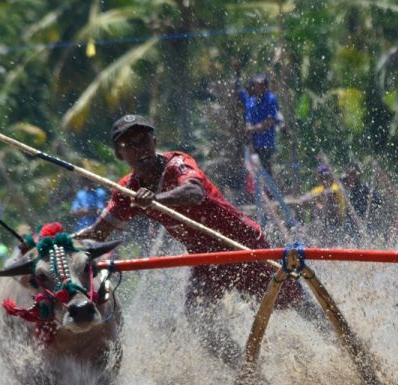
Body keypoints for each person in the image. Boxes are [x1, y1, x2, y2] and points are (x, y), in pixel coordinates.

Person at [75, 114, 312, 368]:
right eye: (129, 145)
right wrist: (68, 239)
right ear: (119, 155)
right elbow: (99, 233)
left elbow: (194, 192)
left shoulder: (178, 163)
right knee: (200, 321)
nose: (139, 149)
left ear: (154, 141)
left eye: (143, 140)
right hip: (206, 260)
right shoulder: (127, 189)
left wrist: (155, 199)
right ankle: (250, 375)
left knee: (293, 302)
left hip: (242, 246)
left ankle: (346, 342)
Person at [244, 74, 280, 178]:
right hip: (254, 143)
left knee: (266, 169)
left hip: (266, 141)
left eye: (259, 86)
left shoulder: (271, 99)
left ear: (265, 86)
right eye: (255, 85)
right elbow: (249, 121)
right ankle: (261, 192)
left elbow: (269, 121)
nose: (256, 88)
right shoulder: (252, 101)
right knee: (253, 171)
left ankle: (271, 192)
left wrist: (253, 129)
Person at [299, 164, 346, 235]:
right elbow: (306, 198)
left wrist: (314, 198)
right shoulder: (319, 188)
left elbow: (329, 193)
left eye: (325, 177)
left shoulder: (336, 187)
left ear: (330, 176)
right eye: (321, 177)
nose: (323, 179)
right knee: (311, 203)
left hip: (336, 220)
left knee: (325, 199)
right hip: (323, 220)